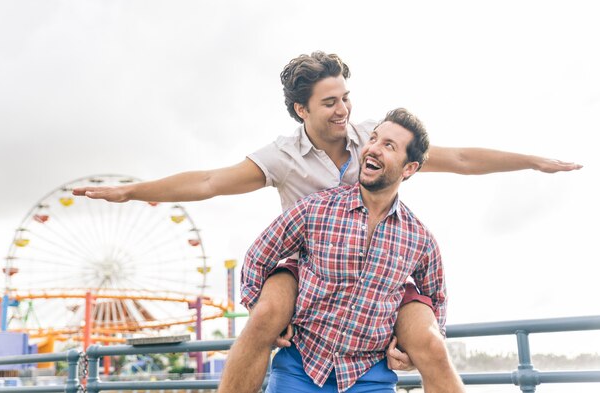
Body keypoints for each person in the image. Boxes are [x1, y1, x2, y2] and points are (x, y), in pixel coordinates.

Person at [73, 52, 581, 393]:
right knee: (267, 314)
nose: (343, 110)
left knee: (428, 340)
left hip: (379, 263)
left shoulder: (375, 139)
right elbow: (208, 182)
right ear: (302, 109)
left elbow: (463, 159)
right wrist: (131, 192)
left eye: (346, 98)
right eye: (329, 102)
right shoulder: (283, 157)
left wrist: (533, 160)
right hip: (307, 263)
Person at [241, 107, 445, 392]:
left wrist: (415, 355)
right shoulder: (317, 208)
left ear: (409, 168)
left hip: (371, 376)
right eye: (373, 139)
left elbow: (436, 297)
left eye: (388, 145)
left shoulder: (420, 238)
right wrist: (255, 307)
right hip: (300, 368)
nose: (373, 149)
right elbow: (258, 256)